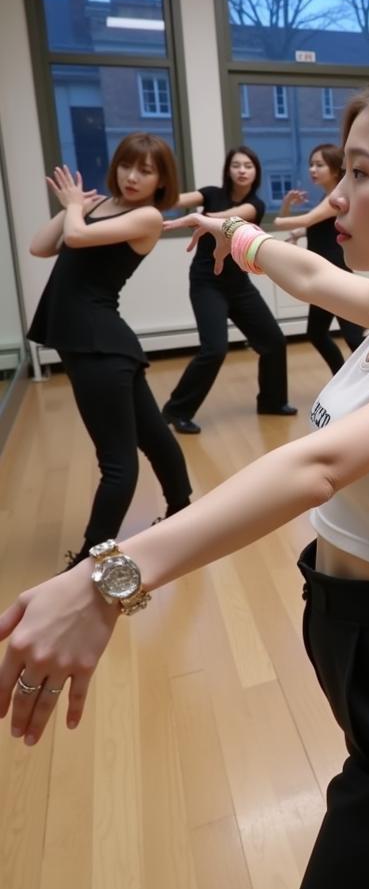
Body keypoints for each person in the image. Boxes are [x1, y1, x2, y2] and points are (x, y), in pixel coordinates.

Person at [0, 74, 369, 889]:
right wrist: (232, 235)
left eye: (360, 173)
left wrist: (107, 580)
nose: (336, 194)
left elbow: (312, 467)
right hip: (368, 648)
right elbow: (312, 279)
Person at [26, 134, 192, 568]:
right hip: (96, 343)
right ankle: (184, 514)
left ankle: (89, 557)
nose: (132, 176)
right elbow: (41, 247)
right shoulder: (97, 207)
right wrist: (74, 205)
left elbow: (77, 238)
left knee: (117, 462)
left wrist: (74, 208)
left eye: (146, 170)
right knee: (153, 435)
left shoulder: (148, 218)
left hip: (98, 346)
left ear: (161, 181)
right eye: (126, 165)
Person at [161, 145, 295, 434]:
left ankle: (271, 402)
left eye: (248, 165)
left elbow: (231, 217)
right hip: (206, 283)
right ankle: (175, 411)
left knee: (274, 341)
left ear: (256, 171)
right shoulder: (210, 192)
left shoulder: (255, 205)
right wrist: (155, 197)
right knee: (215, 349)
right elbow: (176, 199)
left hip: (238, 285)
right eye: (237, 165)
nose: (242, 170)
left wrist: (203, 216)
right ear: (229, 170)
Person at [273, 143, 365, 373]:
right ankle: (342, 377)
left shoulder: (336, 197)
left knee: (354, 338)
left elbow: (307, 220)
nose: (312, 170)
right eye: (311, 165)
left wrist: (273, 222)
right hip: (323, 275)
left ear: (335, 169)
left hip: (335, 274)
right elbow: (319, 225)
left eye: (319, 165)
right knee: (317, 333)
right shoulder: (328, 197)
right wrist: (289, 212)